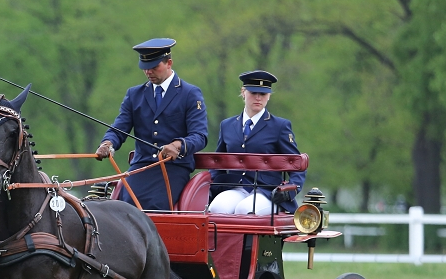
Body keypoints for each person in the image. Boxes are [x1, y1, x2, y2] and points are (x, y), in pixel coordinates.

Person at [95, 38, 208, 211]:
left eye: (154, 67)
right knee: (121, 208)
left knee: (153, 206)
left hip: (173, 168)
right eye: (145, 68)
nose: (148, 72)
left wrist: (177, 146)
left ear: (169, 63)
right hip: (141, 166)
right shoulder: (134, 95)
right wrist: (108, 143)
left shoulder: (190, 94)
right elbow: (120, 127)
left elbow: (200, 136)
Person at [208, 70, 302, 215]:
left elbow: (296, 164)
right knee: (217, 208)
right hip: (236, 187)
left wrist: (290, 190)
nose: (258, 98)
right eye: (253, 92)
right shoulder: (227, 125)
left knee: (245, 209)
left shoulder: (280, 126)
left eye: (263, 94)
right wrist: (211, 185)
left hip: (268, 191)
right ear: (243, 92)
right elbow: (218, 162)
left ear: (269, 96)